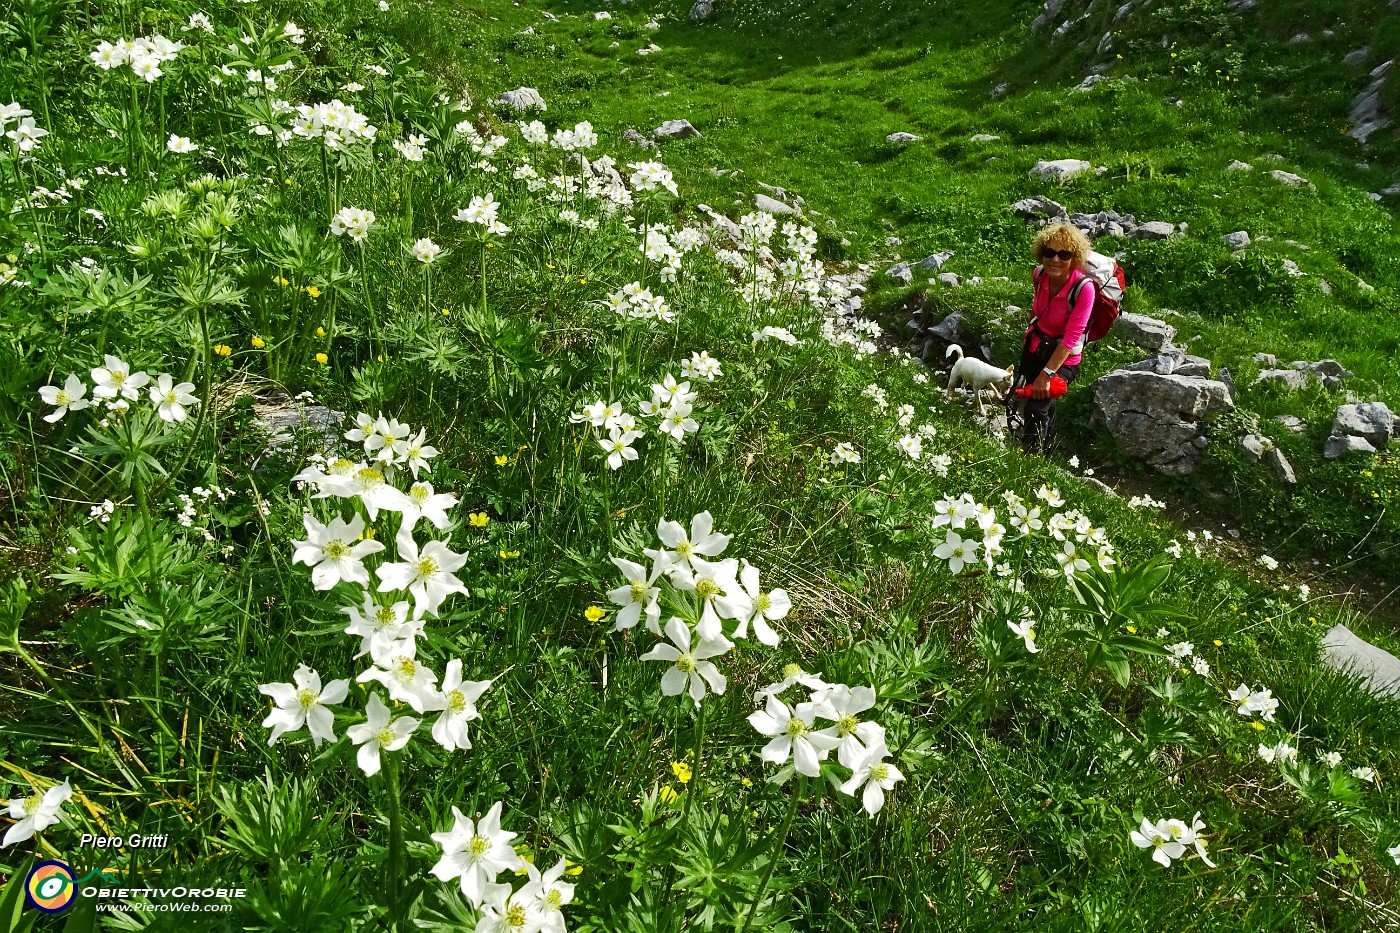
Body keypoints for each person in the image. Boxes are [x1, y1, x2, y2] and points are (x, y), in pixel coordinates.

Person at [1010, 223, 1096, 453]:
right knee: (1044, 403)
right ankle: (1046, 448)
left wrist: (1046, 375)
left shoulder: (1084, 289)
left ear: (1074, 257)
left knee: (1036, 408)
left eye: (1064, 254)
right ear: (1041, 253)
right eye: (1049, 252)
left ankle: (1030, 459)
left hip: (1063, 361)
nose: (1055, 259)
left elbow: (1071, 339)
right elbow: (1036, 310)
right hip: (1035, 349)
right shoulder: (1039, 275)